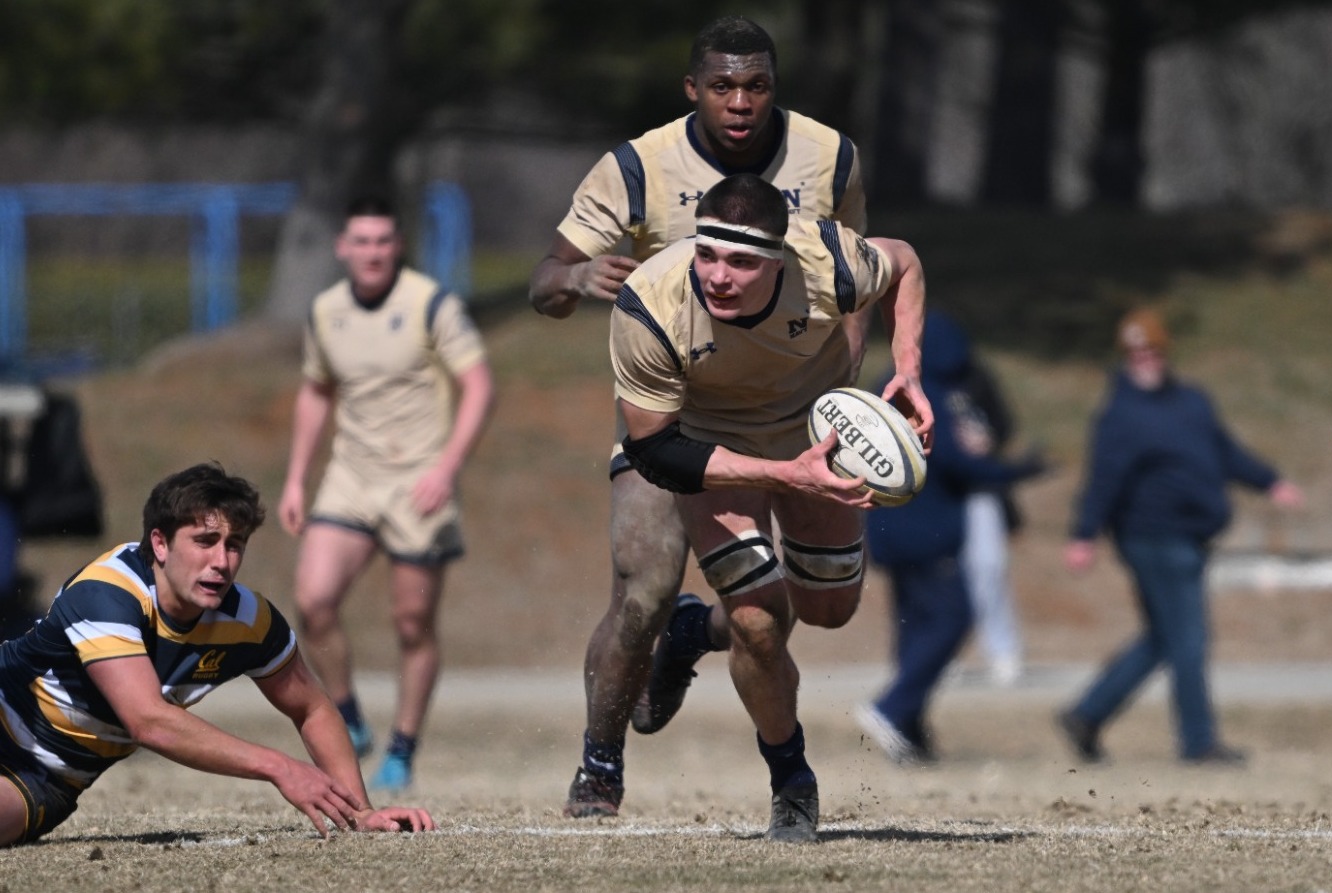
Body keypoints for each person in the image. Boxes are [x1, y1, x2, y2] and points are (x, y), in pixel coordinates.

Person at [526, 15, 866, 818]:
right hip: (673, 420)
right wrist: (573, 284)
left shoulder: (831, 156)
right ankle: (599, 768)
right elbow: (546, 277)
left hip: (791, 412)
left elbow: (858, 275)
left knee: (818, 608)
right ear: (693, 90)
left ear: (774, 89)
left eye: (755, 86)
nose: (740, 102)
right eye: (722, 86)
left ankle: (695, 633)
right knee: (642, 585)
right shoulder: (638, 167)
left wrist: (845, 383)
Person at [609, 173, 928, 842]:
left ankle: (693, 630)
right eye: (708, 254)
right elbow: (656, 453)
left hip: (814, 430)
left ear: (779, 260)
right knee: (759, 621)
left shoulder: (831, 264)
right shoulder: (649, 304)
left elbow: (904, 260)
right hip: (706, 442)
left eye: (743, 261)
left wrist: (907, 365)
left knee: (827, 610)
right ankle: (791, 780)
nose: (719, 275)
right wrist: (784, 475)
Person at [0, 463, 436, 845]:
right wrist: (280, 767)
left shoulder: (250, 621)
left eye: (235, 544)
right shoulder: (108, 593)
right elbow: (147, 720)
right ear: (160, 544)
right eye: (205, 540)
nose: (222, 561)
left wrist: (359, 812)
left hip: (46, 778)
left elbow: (313, 709)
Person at [277, 196, 494, 793]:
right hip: (350, 477)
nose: (371, 253)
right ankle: (347, 716)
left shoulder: (430, 304)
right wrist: (297, 476)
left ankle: (402, 749)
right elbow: (317, 391)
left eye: (382, 242)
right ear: (342, 248)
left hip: (419, 480)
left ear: (397, 247)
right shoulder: (326, 311)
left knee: (411, 623)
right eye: (361, 242)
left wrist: (447, 468)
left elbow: (477, 386)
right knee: (313, 600)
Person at [1058, 309, 1303, 765]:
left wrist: (1270, 481)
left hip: (1192, 536)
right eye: (1134, 354)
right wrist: (1084, 535)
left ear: (1164, 352)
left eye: (1150, 351)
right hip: (1151, 536)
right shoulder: (1120, 413)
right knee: (1188, 640)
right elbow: (1103, 479)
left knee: (1163, 639)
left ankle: (1087, 714)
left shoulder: (1192, 401)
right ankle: (1199, 743)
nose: (1143, 361)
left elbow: (1225, 451)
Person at [857, 311, 1042, 764]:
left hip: (885, 530)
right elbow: (962, 464)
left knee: (913, 629)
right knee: (953, 617)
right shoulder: (927, 395)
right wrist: (1022, 469)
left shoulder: (883, 389)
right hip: (926, 531)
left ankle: (909, 733)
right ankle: (891, 708)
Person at [956, 348, 1035, 686]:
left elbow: (1004, 423)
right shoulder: (900, 374)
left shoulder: (976, 374)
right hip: (933, 492)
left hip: (979, 488)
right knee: (939, 577)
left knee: (990, 567)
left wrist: (986, 440)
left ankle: (1003, 649)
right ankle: (940, 654)